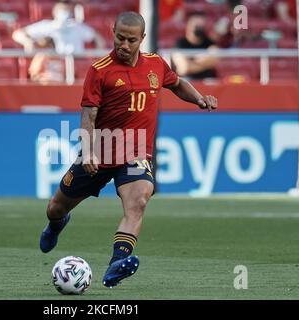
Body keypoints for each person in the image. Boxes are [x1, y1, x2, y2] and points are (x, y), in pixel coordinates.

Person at [39, 12, 217, 288]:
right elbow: (88, 115)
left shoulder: (155, 64)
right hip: (100, 153)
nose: (123, 44)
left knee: (139, 201)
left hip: (135, 152)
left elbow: (177, 83)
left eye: (130, 40)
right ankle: (55, 224)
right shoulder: (100, 70)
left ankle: (115, 265)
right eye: (119, 37)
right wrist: (87, 151)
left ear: (142, 39)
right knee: (55, 207)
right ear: (113, 33)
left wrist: (199, 99)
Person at [12, 1, 106, 54]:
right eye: (62, 10)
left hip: (75, 62)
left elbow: (97, 38)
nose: (64, 13)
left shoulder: (77, 26)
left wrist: (97, 54)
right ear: (55, 12)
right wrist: (28, 42)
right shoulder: (47, 26)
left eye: (66, 10)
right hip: (55, 64)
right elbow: (17, 34)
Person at [171, 12, 219, 80]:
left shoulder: (210, 43)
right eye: (196, 25)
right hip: (187, 82)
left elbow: (214, 59)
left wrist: (191, 63)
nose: (197, 28)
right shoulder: (179, 44)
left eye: (200, 26)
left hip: (208, 80)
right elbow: (184, 68)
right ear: (188, 25)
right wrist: (206, 63)